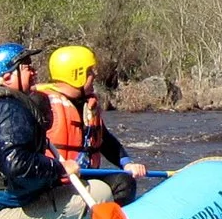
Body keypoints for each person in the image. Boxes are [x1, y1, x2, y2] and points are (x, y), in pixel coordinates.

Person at [0, 41, 105, 219]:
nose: (35, 72)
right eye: (28, 67)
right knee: (101, 192)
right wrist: (60, 168)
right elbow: (18, 166)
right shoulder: (9, 107)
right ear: (7, 76)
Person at [39, 44, 149, 204]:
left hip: (83, 175)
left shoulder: (87, 105)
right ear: (76, 75)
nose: (95, 75)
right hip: (55, 180)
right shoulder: (41, 103)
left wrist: (127, 164)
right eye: (90, 71)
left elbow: (105, 141)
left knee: (124, 182)